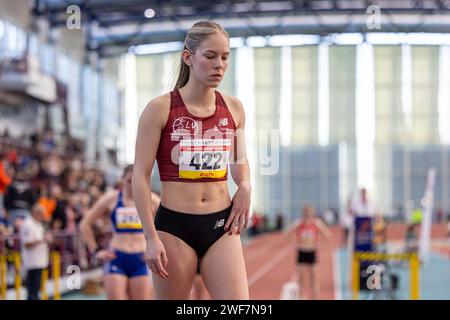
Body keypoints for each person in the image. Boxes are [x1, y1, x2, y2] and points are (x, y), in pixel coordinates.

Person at [133, 20, 251, 300]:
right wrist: (150, 237)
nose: (219, 65)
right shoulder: (160, 109)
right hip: (174, 228)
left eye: (225, 57)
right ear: (188, 57)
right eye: (210, 56)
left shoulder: (233, 108)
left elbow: (240, 160)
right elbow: (139, 176)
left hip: (221, 225)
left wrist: (244, 185)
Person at [80, 165, 160, 300]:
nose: (132, 185)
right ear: (122, 179)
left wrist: (155, 248)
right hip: (117, 257)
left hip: (141, 259)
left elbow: (168, 226)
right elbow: (85, 224)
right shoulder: (110, 199)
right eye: (129, 181)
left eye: (136, 181)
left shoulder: (152, 200)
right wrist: (96, 250)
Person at [288, 204, 332, 300]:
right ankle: (302, 298)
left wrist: (318, 244)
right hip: (302, 252)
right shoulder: (299, 223)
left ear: (312, 215)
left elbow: (328, 235)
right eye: (306, 215)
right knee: (302, 281)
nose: (307, 217)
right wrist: (295, 243)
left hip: (312, 252)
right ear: (303, 215)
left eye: (309, 215)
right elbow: (287, 234)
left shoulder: (316, 223)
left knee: (314, 281)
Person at [20, 203, 53, 300]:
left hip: (39, 260)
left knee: (36, 288)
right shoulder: (27, 224)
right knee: (32, 290)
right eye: (41, 214)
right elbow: (26, 244)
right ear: (36, 213)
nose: (43, 217)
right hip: (32, 262)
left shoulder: (38, 223)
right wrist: (43, 240)